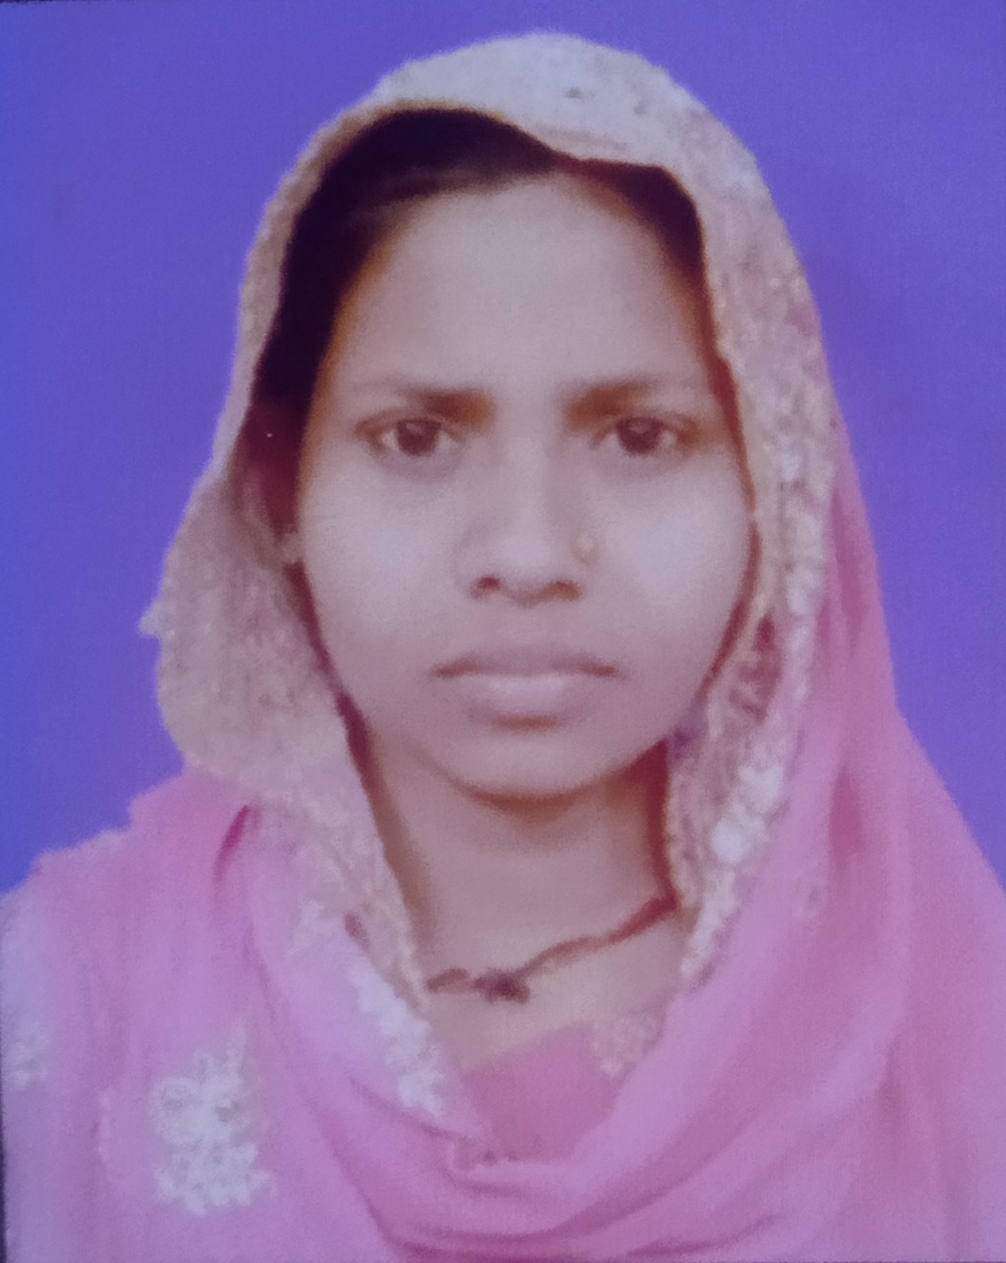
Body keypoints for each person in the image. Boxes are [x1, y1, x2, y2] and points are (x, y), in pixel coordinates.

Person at [2, 31, 1005, 1263]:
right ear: (276, 484)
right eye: (416, 438)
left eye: (639, 436)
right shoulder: (68, 1005)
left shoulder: (942, 1024)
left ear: (770, 494)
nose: (526, 553)